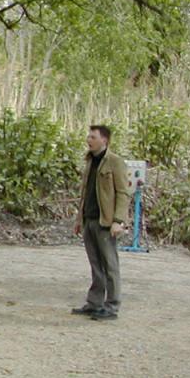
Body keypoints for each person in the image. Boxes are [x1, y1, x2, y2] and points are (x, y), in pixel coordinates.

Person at [72, 125, 129, 321]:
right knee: (95, 264)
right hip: (90, 219)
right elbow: (85, 193)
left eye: (93, 137)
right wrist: (79, 219)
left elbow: (123, 193)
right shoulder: (90, 161)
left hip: (105, 222)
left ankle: (112, 306)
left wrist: (118, 220)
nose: (89, 140)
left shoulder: (115, 162)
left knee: (110, 265)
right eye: (89, 136)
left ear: (104, 140)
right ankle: (94, 303)